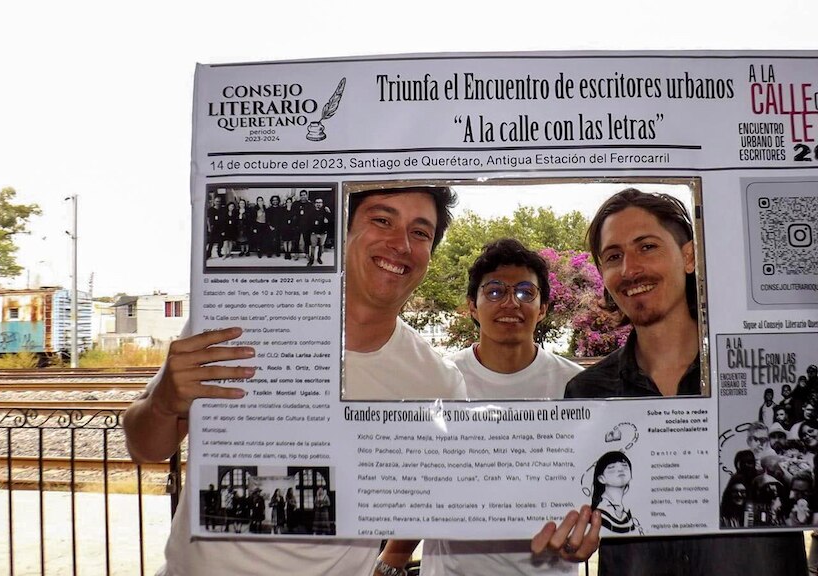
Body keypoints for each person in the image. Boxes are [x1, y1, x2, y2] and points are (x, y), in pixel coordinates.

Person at [535, 188, 818, 574]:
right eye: (614, 256)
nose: (630, 268)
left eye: (647, 247)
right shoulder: (587, 392)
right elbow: (585, 514)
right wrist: (572, 542)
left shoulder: (770, 372)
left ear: (689, 256)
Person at [123, 186, 466, 576]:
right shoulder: (231, 325)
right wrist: (163, 404)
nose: (400, 244)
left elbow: (450, 497)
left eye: (420, 233)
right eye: (382, 220)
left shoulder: (439, 385)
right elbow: (143, 447)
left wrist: (541, 513)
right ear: (342, 233)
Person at [379, 238, 584, 575]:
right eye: (493, 292)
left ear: (543, 307)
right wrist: (389, 563)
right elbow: (420, 488)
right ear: (471, 307)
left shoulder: (577, 387)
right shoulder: (439, 382)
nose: (510, 303)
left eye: (524, 292)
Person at [590, 451, 641, 534]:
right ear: (601, 478)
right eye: (612, 468)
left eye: (624, 466)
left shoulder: (627, 510)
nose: (620, 470)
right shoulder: (600, 511)